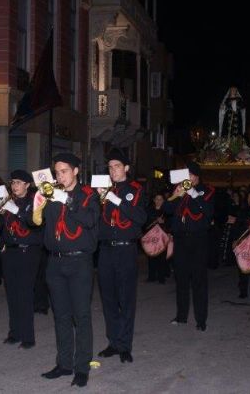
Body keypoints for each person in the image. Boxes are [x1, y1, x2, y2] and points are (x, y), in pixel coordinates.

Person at [33, 153, 99, 388]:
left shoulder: (88, 195)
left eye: (64, 171)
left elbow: (90, 220)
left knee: (80, 316)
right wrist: (38, 204)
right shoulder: (51, 195)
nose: (60, 175)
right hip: (55, 262)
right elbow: (37, 224)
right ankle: (64, 364)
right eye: (57, 172)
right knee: (60, 316)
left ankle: (82, 368)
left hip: (79, 262)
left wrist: (67, 200)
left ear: (76, 171)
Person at [96, 149, 147, 364]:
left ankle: (125, 345)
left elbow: (140, 217)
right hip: (106, 250)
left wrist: (115, 200)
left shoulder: (136, 190)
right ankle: (113, 342)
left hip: (126, 250)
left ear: (126, 168)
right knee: (108, 298)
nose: (113, 170)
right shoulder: (103, 190)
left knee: (126, 299)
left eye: (117, 166)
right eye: (110, 167)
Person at [162, 161, 214, 331]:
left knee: (199, 281)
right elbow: (166, 208)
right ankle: (181, 316)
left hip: (198, 240)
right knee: (181, 280)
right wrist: (176, 195)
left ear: (197, 176)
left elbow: (206, 210)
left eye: (190, 175)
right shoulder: (180, 190)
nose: (187, 178)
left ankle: (201, 320)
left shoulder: (207, 191)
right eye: (186, 175)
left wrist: (192, 192)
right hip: (181, 240)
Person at [0, 170, 43, 349]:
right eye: (12, 182)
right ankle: (14, 332)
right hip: (10, 252)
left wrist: (15, 210)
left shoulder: (35, 201)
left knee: (24, 294)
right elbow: (0, 227)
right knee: (12, 294)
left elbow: (33, 222)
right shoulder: (8, 201)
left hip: (28, 252)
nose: (14, 186)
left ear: (27, 185)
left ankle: (28, 336)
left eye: (18, 183)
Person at [145, 193, 170, 283]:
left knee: (162, 258)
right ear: (154, 200)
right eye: (157, 199)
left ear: (164, 201)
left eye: (161, 199)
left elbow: (170, 225)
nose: (158, 201)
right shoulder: (148, 210)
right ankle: (151, 277)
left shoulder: (167, 211)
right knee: (151, 256)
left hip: (162, 237)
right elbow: (145, 223)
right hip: (151, 237)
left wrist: (163, 222)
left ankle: (161, 278)